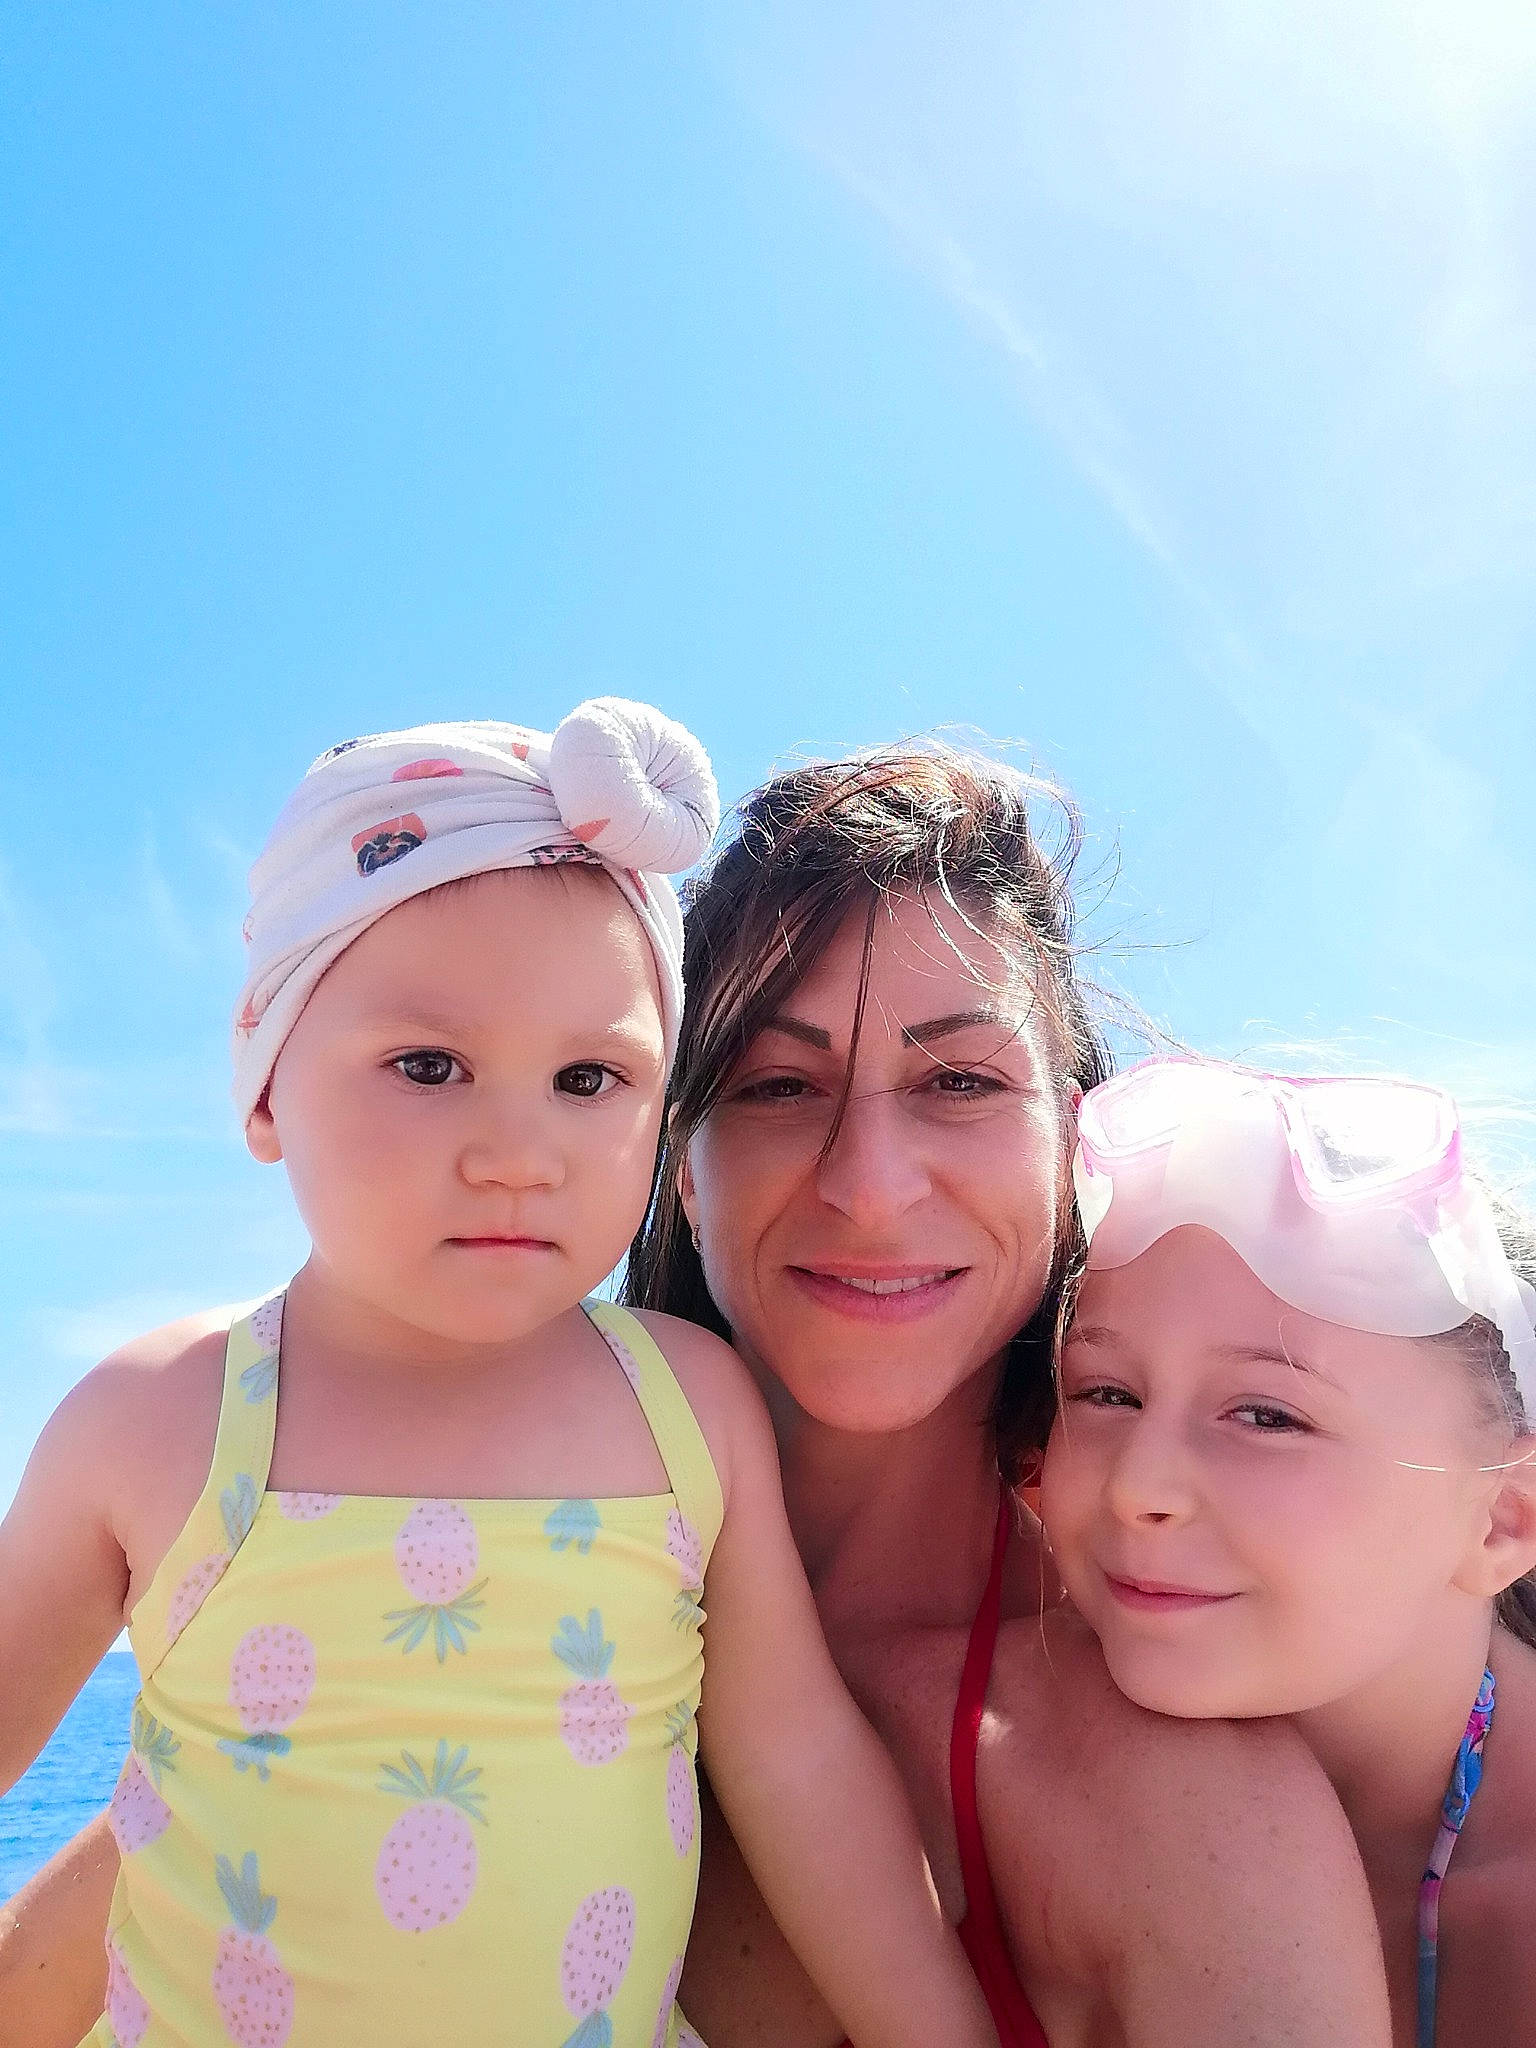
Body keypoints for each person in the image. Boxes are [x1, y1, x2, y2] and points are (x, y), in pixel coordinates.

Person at [1, 741, 1394, 2048]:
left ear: (1068, 1146)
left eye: (961, 1080)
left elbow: (798, 1773)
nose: (869, 1183)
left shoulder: (1193, 1817)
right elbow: (201, 1822)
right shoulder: (198, 1455)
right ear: (686, 1158)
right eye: (783, 1084)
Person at [1039, 1056, 1536, 2047]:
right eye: (1107, 1393)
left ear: (1503, 1518)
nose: (1140, 1485)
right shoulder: (996, 1761)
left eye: (1266, 1413)